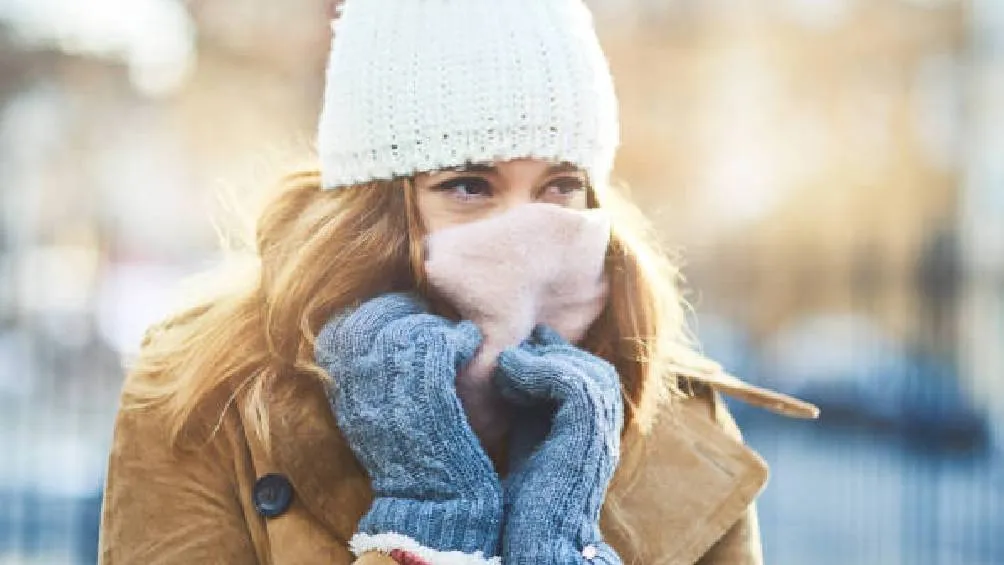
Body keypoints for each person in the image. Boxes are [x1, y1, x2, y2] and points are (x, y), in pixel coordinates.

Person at [98, 1, 818, 564]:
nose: (526, 231)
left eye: (560, 186)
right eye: (470, 184)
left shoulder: (675, 416)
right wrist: (429, 525)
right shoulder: (209, 395)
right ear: (375, 206)